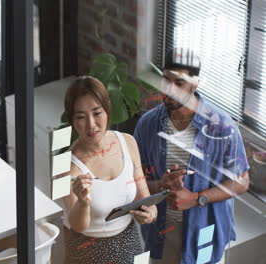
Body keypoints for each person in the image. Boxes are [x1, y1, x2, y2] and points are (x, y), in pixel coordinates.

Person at [134, 48, 250, 264]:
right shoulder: (147, 124)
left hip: (204, 234)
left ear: (195, 84)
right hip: (160, 236)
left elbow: (241, 182)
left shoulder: (222, 126)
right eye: (166, 80)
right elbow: (136, 179)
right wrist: (160, 185)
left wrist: (196, 199)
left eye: (179, 83)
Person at [62, 76, 157, 264]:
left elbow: (144, 197)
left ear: (107, 110)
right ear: (72, 120)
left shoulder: (128, 142)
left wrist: (151, 212)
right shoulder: (65, 165)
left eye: (97, 113)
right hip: (87, 251)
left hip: (129, 242)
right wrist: (82, 202)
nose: (91, 124)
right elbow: (77, 226)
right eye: (81, 117)